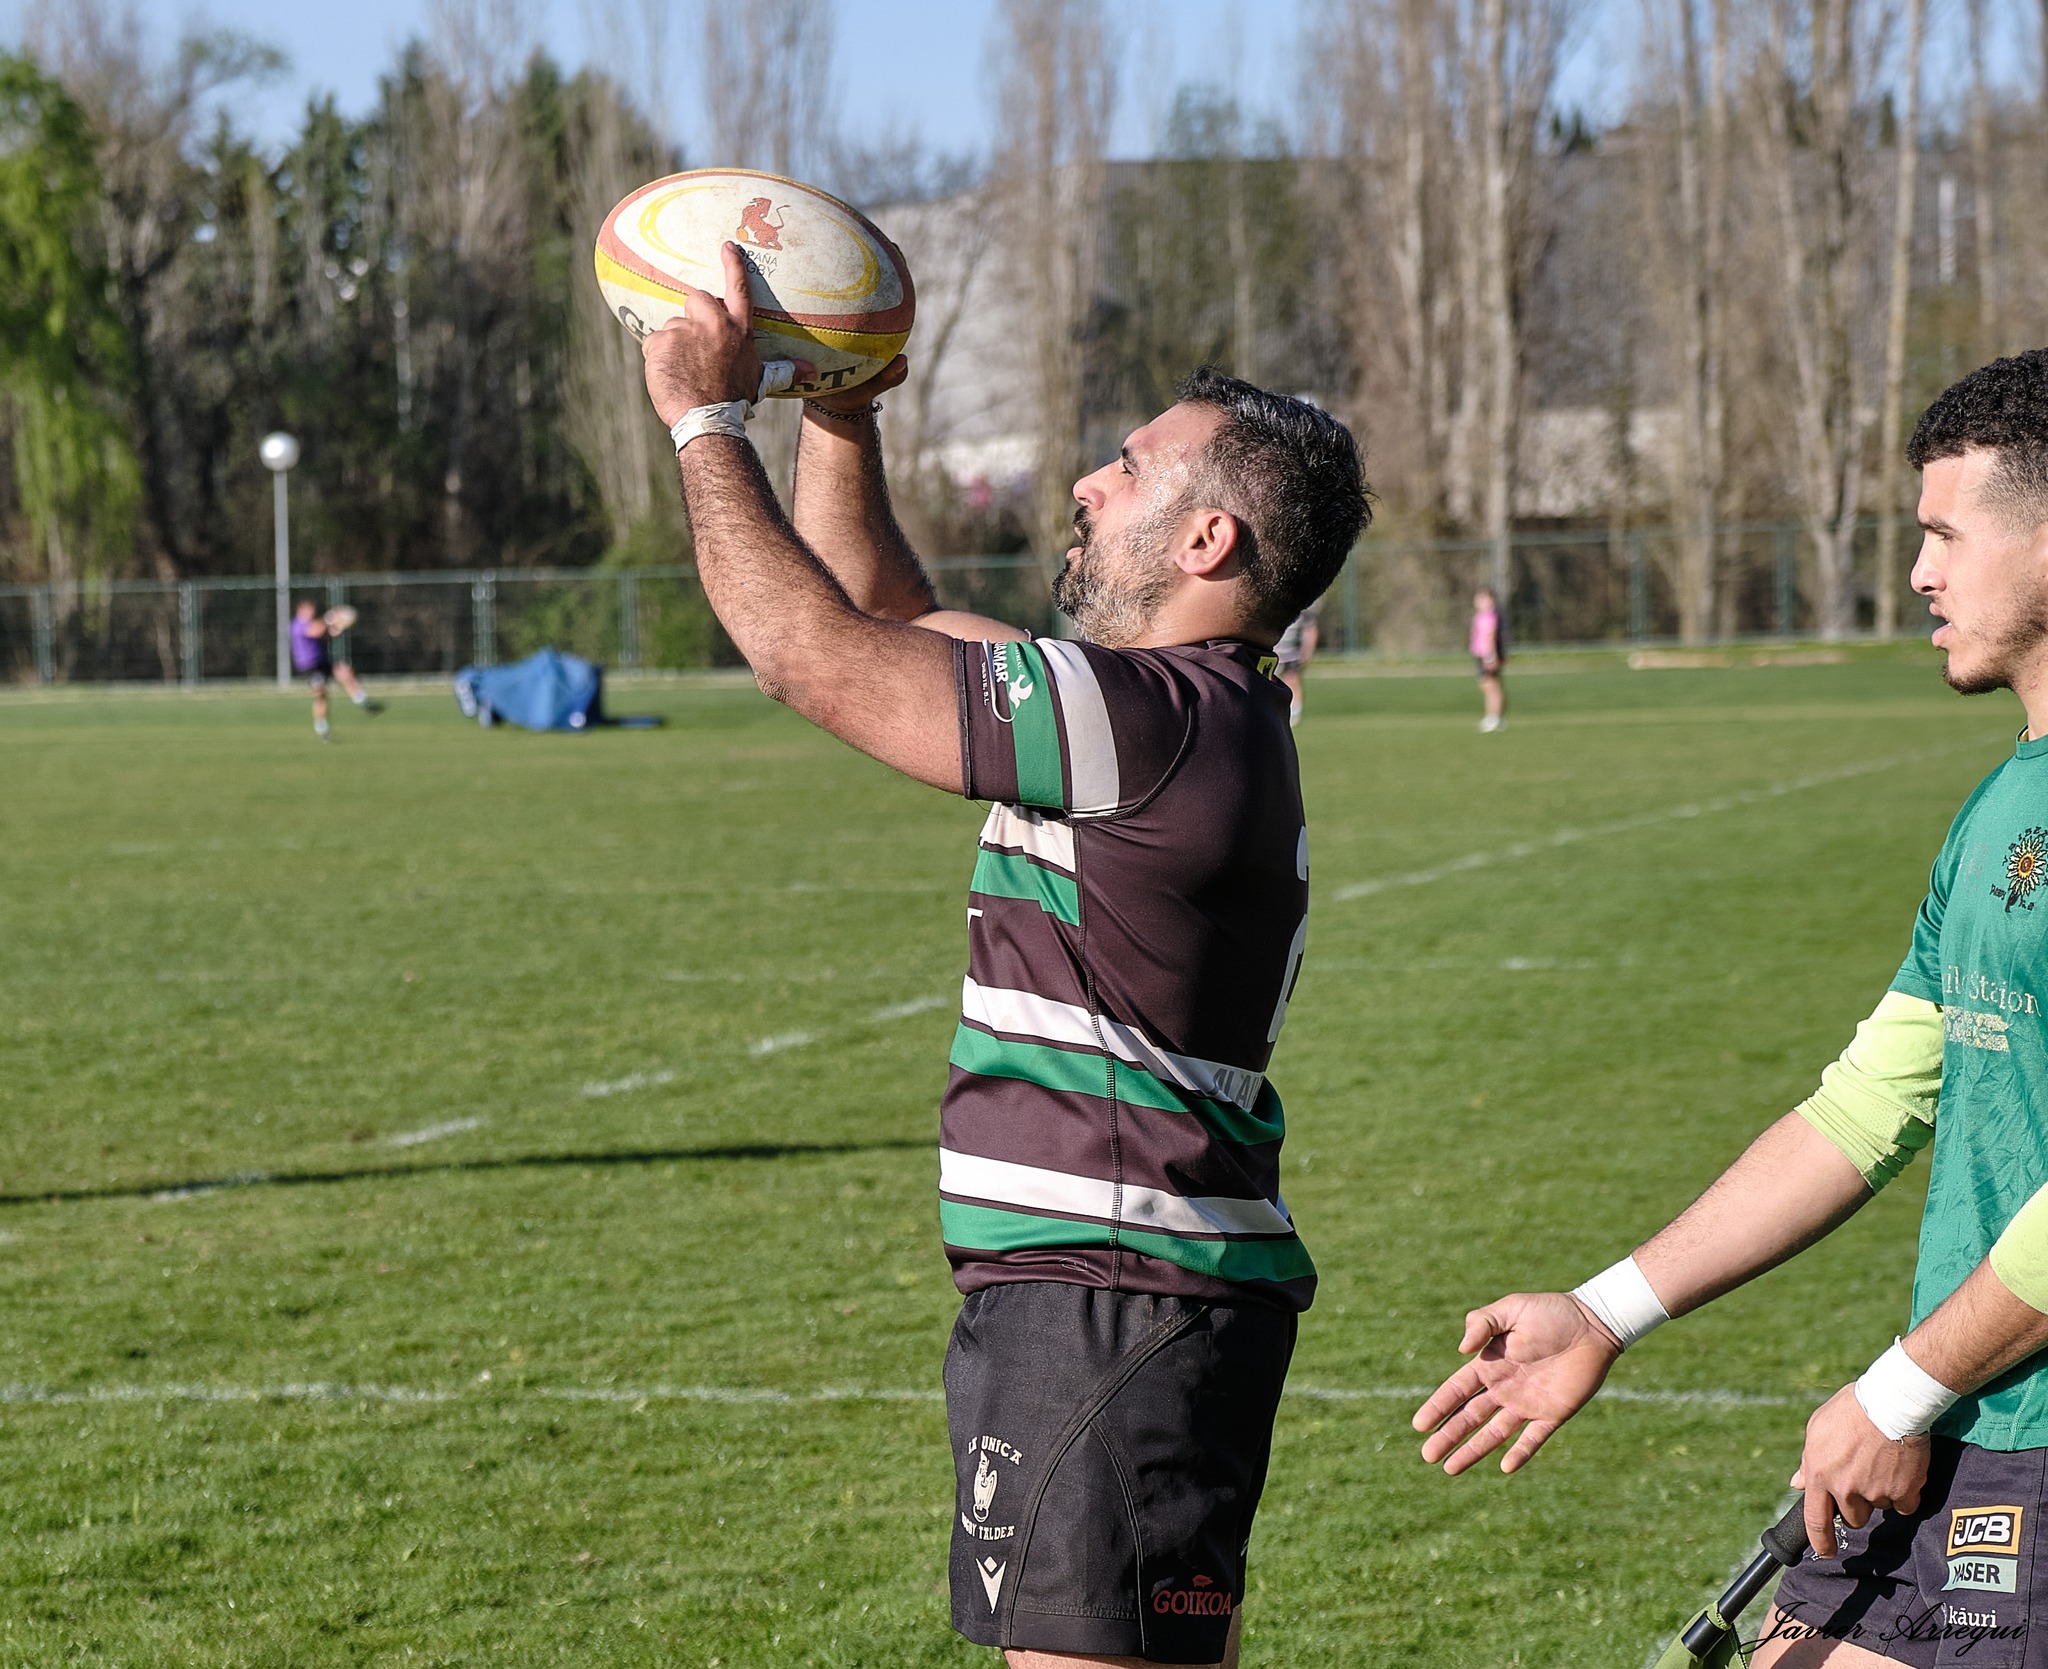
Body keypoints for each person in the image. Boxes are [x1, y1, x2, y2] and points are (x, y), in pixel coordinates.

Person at [639, 242, 1369, 1668]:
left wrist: (703, 419)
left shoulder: (1145, 721)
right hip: (1141, 1307)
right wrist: (842, 409)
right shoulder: (1185, 712)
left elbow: (809, 652)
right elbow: (893, 620)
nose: (1089, 487)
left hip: (1107, 1305)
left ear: (1207, 540)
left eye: (1128, 467)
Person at [1410, 350, 2048, 1668]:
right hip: (1964, 1420)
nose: (1921, 574)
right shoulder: (2000, 807)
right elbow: (1866, 1108)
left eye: (1945, 535)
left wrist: (1900, 1386)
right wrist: (1605, 1310)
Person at [290, 599, 381, 741]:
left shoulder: (312, 622)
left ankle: (364, 703)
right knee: (321, 694)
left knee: (344, 671)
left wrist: (335, 628)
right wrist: (331, 618)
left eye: (312, 609)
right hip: (308, 666)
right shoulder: (298, 624)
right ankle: (322, 729)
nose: (312, 612)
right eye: (309, 609)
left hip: (321, 661)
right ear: (300, 610)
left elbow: (323, 633)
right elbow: (316, 631)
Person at [1274, 605, 1319, 727]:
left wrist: (1307, 651)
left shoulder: (1304, 611)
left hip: (1292, 653)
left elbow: (1310, 630)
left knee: (1292, 679)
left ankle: (1294, 713)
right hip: (1274, 651)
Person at [1470, 587, 1506, 732]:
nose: (1479, 602)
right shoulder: (1482, 616)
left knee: (1491, 687)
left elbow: (1489, 637)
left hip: (1487, 655)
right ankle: (1493, 716)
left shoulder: (1489, 617)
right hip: (1481, 654)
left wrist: (1490, 657)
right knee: (1488, 686)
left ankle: (1494, 717)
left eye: (1483, 599)